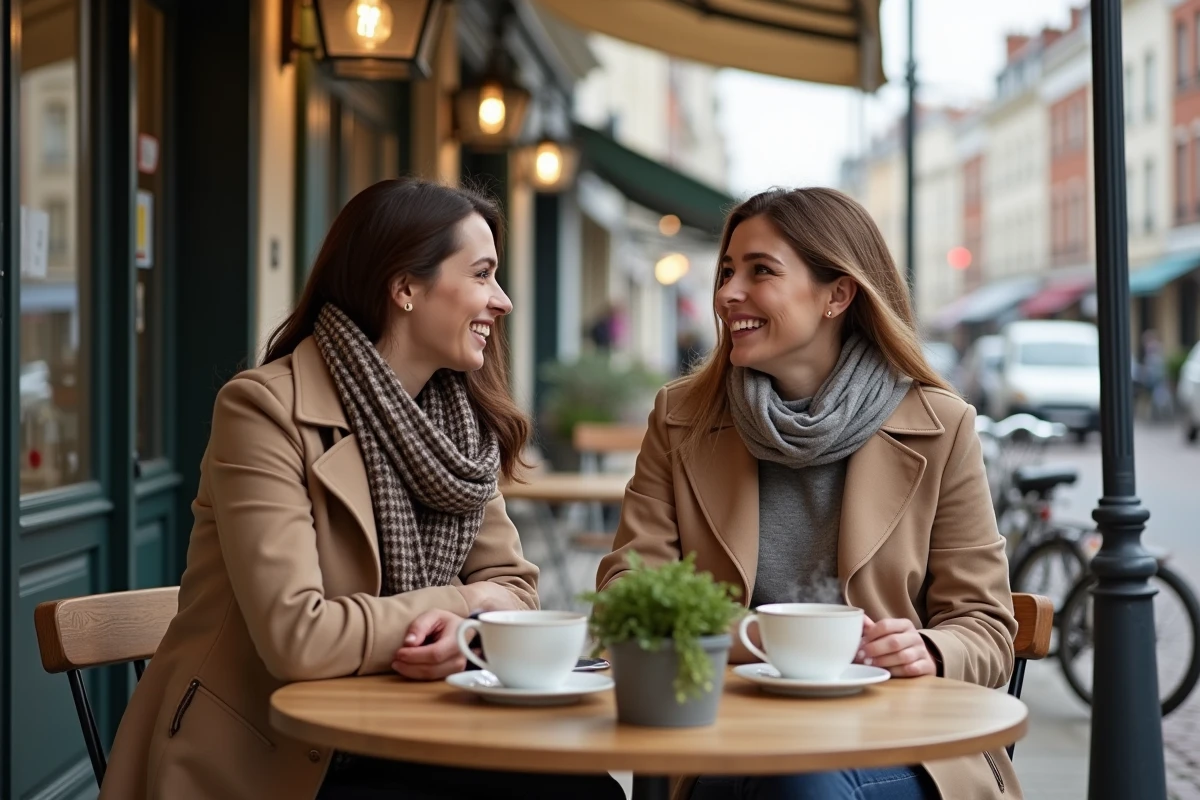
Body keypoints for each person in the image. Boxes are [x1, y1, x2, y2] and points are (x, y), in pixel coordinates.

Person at [99, 179, 624, 800]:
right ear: (404, 288)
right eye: (482, 275)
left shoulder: (458, 428)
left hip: (410, 730)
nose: (503, 301)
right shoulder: (263, 410)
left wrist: (464, 633)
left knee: (586, 791)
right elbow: (300, 637)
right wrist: (461, 606)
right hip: (280, 759)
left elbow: (514, 589)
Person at [598, 188, 1019, 800]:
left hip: (896, 743)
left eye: (760, 271)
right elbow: (623, 595)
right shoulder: (681, 418)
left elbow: (985, 627)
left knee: (801, 784)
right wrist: (757, 639)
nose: (726, 294)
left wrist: (928, 646)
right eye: (725, 272)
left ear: (837, 294)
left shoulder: (940, 426)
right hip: (721, 739)